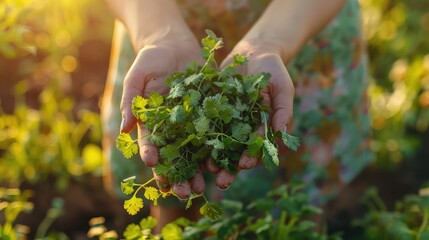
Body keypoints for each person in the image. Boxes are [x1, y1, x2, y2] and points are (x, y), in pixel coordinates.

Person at [101, 0, 373, 232]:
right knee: (173, 199)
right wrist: (158, 34)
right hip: (158, 19)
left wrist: (270, 42)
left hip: (301, 25)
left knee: (294, 211)